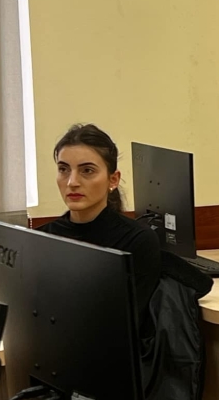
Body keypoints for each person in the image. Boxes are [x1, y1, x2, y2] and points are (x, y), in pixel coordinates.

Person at [38, 124, 161, 340]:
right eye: (64, 169)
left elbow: (127, 327)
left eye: (87, 171)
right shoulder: (41, 239)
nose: (72, 182)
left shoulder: (136, 241)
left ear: (113, 180)